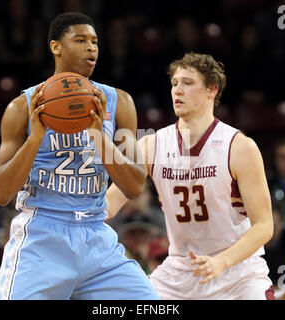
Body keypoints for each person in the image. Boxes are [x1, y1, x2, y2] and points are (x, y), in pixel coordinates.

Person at [0, 12, 159, 300]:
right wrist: (35, 140)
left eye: (94, 42)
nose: (91, 47)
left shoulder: (119, 102)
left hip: (96, 236)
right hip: (42, 237)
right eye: (80, 40)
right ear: (55, 47)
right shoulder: (23, 106)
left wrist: (98, 136)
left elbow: (134, 186)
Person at [106, 52, 274, 299]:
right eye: (174, 83)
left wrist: (222, 262)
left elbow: (264, 226)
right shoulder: (151, 145)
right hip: (179, 273)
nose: (177, 90)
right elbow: (108, 205)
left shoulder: (239, 147)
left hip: (238, 273)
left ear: (211, 90)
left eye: (187, 83)